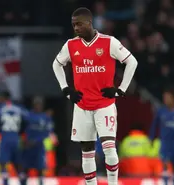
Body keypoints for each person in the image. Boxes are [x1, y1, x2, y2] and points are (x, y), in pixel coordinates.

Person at [52, 7, 138, 185]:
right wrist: (66, 89)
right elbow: (56, 65)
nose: (76, 28)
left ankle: (113, 183)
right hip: (82, 105)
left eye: (79, 24)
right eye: (73, 25)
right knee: (87, 150)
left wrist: (121, 88)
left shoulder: (109, 42)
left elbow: (132, 61)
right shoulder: (71, 45)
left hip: (104, 104)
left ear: (89, 23)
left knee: (109, 148)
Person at [0, 91, 29, 185]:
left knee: (3, 163)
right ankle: (23, 180)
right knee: (18, 164)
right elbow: (28, 120)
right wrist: (24, 134)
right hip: (16, 138)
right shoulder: (19, 108)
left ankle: (5, 182)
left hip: (5, 138)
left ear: (3, 98)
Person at [22, 96, 57, 185]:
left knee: (40, 167)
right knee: (26, 167)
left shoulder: (45, 117)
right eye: (36, 104)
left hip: (40, 146)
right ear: (33, 105)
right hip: (29, 145)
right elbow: (23, 129)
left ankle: (41, 183)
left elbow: (49, 131)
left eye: (39, 104)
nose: (38, 106)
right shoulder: (28, 115)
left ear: (42, 105)